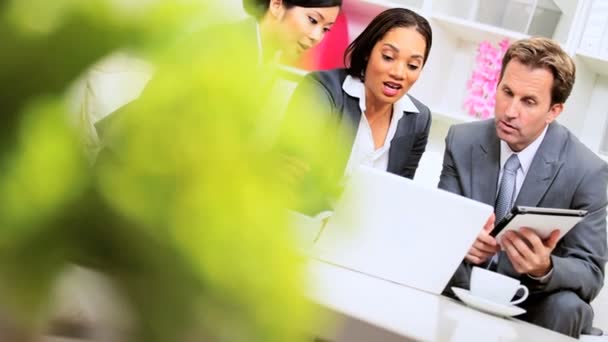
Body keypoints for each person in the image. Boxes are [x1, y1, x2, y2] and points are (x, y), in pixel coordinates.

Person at [439, 37, 608, 338]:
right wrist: (459, 239)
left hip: (531, 298)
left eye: (528, 101)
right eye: (507, 92)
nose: (509, 111)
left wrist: (544, 267)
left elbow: (590, 272)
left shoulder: (588, 172)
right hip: (466, 281)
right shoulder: (461, 141)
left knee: (570, 306)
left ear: (554, 110)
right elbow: (440, 221)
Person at [284, 8, 433, 180]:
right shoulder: (322, 89)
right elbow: (293, 173)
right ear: (368, 52)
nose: (399, 73)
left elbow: (400, 191)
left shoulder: (418, 119)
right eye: (388, 57)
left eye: (413, 65)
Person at [242, 0, 342, 64]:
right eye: (313, 20)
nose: (316, 37)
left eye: (325, 29)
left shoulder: (270, 61)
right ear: (277, 5)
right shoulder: (230, 47)